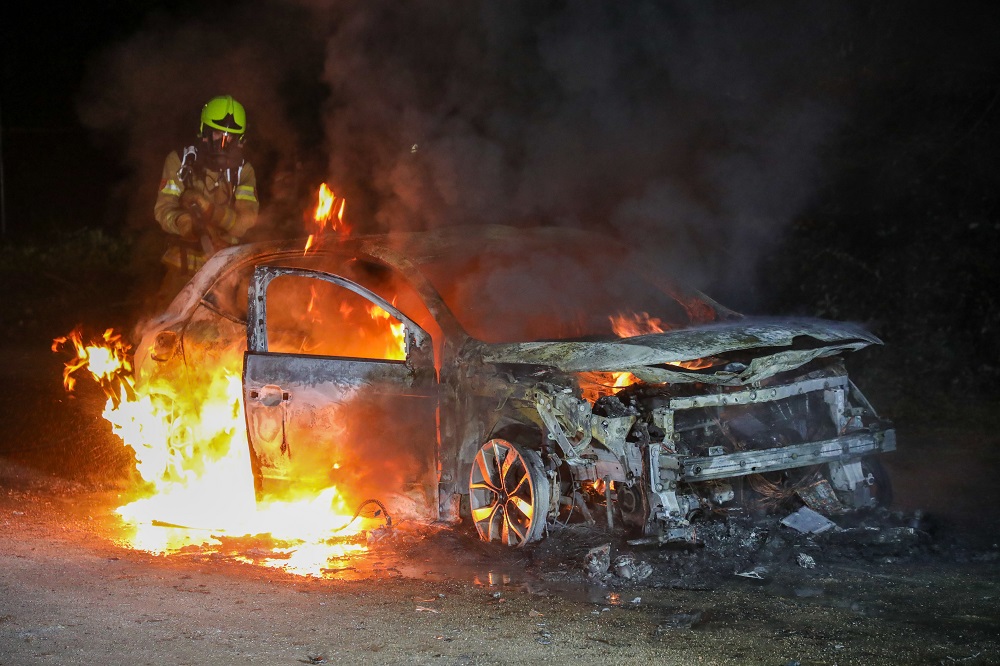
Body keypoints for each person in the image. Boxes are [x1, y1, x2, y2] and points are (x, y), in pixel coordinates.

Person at [152, 95, 259, 305]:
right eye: (218, 134)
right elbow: (163, 209)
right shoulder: (181, 162)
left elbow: (245, 221)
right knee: (165, 329)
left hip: (226, 270)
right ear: (204, 132)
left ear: (240, 140)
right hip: (181, 269)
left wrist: (210, 211)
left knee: (224, 331)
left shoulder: (243, 171)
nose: (223, 143)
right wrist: (183, 222)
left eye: (231, 138)